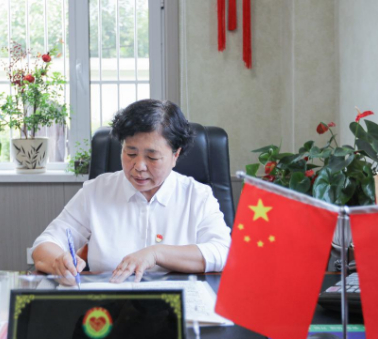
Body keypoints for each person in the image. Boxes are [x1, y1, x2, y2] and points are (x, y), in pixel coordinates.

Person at [32, 99, 231, 285]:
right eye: (131, 153)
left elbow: (223, 252)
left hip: (179, 303)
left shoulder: (197, 196)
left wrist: (156, 254)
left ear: (175, 155)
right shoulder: (96, 191)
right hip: (111, 304)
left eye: (152, 157)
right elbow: (45, 244)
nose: (139, 166)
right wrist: (59, 261)